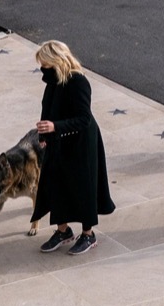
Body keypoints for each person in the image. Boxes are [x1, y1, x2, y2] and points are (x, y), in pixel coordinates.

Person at [31, 40, 115, 255]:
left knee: (82, 186)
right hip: (58, 140)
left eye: (45, 64)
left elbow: (84, 119)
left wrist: (54, 127)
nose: (42, 69)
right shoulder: (52, 81)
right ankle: (63, 231)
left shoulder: (78, 81)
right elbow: (47, 108)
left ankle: (88, 234)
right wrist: (44, 133)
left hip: (81, 143)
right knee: (57, 184)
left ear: (56, 61)